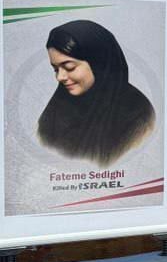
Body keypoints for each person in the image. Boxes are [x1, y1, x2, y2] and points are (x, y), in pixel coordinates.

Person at [37, 19, 156, 164]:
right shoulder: (58, 106)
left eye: (69, 67)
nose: (60, 77)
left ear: (98, 63)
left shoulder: (138, 116)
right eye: (55, 69)